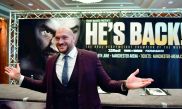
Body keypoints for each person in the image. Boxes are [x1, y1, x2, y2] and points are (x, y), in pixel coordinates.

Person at [5, 27, 154, 109]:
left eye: (64, 37)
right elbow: (45, 87)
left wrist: (124, 84)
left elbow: (106, 84)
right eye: (57, 38)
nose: (60, 41)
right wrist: (20, 78)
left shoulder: (90, 57)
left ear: (73, 39)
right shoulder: (51, 61)